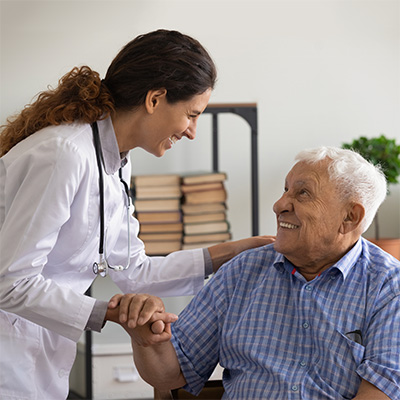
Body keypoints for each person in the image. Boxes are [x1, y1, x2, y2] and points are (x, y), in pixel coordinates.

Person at [0, 29, 275, 400]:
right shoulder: (64, 154)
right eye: (191, 115)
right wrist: (113, 314)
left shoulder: (114, 163)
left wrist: (233, 252)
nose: (192, 132)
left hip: (40, 346)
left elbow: (133, 271)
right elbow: (11, 282)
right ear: (156, 98)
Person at [122, 146, 400, 399]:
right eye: (285, 190)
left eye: (302, 193)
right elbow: (171, 375)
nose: (279, 205)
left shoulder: (389, 286)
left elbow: (379, 394)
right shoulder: (242, 270)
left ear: (350, 217)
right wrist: (148, 340)